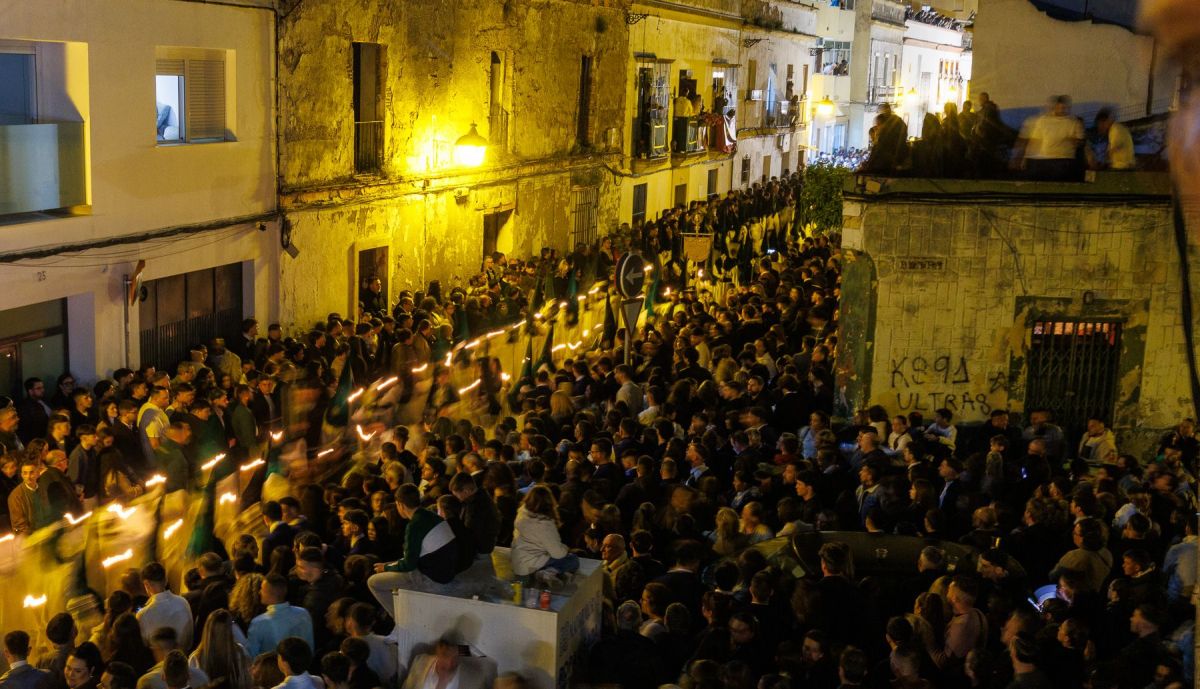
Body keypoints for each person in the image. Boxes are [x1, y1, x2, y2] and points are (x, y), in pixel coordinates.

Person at [367, 484, 459, 620]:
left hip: (433, 579)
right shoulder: (430, 515)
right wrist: (391, 564)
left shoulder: (414, 525)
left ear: (400, 504)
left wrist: (385, 567)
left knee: (374, 582)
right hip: (447, 570)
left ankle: (401, 620)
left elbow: (409, 565)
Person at [510, 485, 578, 586]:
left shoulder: (521, 513)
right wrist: (565, 548)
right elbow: (558, 553)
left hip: (518, 563)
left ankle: (548, 572)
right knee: (572, 560)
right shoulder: (544, 523)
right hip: (533, 565)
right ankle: (547, 573)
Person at [1016, 95, 1084, 181]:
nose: (1061, 110)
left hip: (1065, 160)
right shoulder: (1043, 121)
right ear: (1055, 107)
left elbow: (1080, 142)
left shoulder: (1074, 122)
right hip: (1046, 160)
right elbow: (1035, 141)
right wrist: (1025, 158)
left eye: (1064, 107)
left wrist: (1073, 142)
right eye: (1059, 107)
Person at [246, 576, 315, 658]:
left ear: (271, 594)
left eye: (262, 589)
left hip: (271, 670)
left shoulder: (259, 623)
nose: (259, 592)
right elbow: (310, 647)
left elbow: (251, 656)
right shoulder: (303, 613)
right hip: (302, 668)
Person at [136, 563, 194, 650]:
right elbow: (189, 637)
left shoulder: (143, 615)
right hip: (184, 657)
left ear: (146, 584)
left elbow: (145, 644)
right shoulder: (183, 603)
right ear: (166, 580)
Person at [400, 639, 489, 689]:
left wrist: (462, 650)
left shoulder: (471, 679)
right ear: (437, 651)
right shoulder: (421, 662)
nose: (450, 662)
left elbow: (487, 661)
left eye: (455, 657)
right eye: (446, 655)